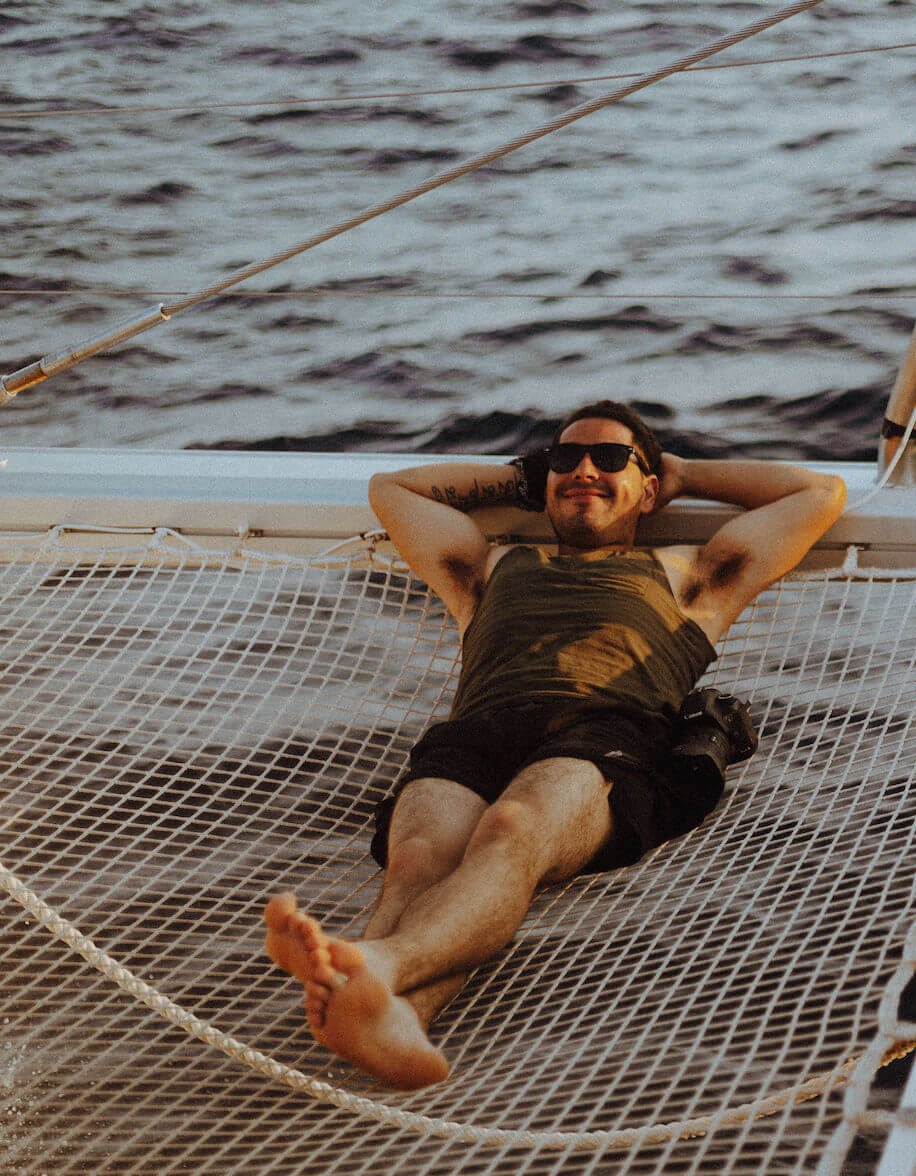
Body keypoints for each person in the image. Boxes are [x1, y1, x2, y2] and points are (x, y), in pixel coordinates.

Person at [263, 400, 846, 1089]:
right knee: (416, 859)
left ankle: (374, 964)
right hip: (480, 726)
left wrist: (681, 471)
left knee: (514, 827)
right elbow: (392, 491)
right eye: (565, 460)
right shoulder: (487, 565)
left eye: (611, 460)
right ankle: (394, 1018)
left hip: (606, 734)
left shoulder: (694, 574)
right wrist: (527, 476)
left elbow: (820, 493)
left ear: (648, 487)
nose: (584, 472)